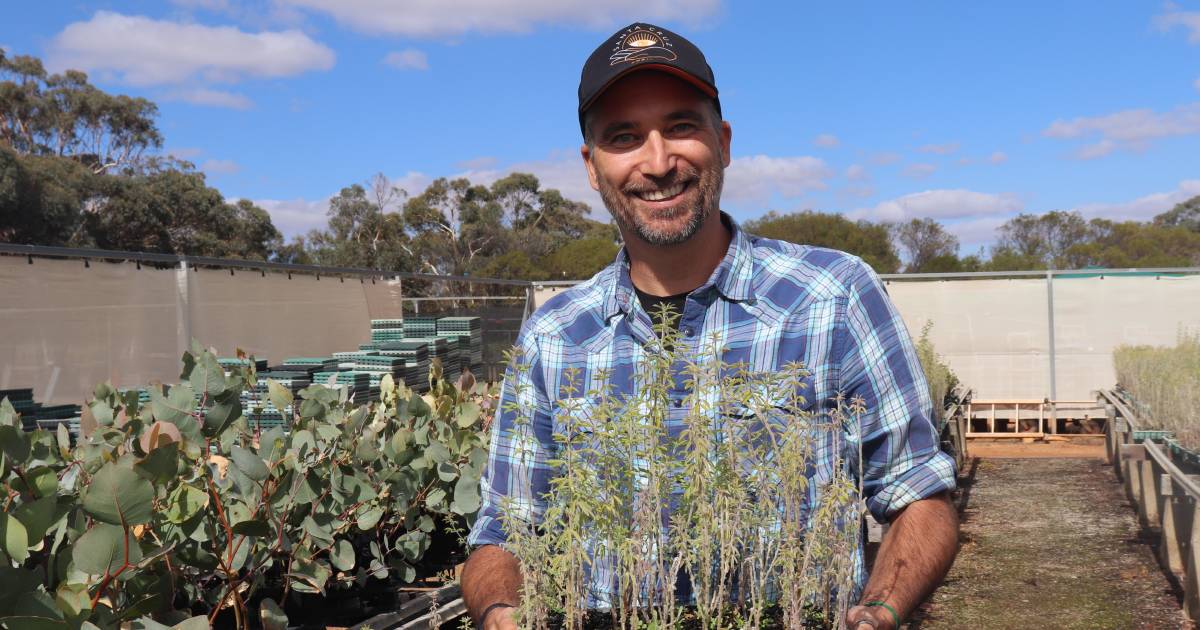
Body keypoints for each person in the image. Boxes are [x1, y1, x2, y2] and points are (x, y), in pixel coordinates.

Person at [461, 22, 959, 630]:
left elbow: (918, 495)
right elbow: (504, 529)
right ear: (592, 167)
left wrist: (880, 611)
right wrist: (500, 612)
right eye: (624, 137)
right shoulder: (554, 335)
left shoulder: (834, 297)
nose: (658, 160)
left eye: (680, 126)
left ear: (722, 141)